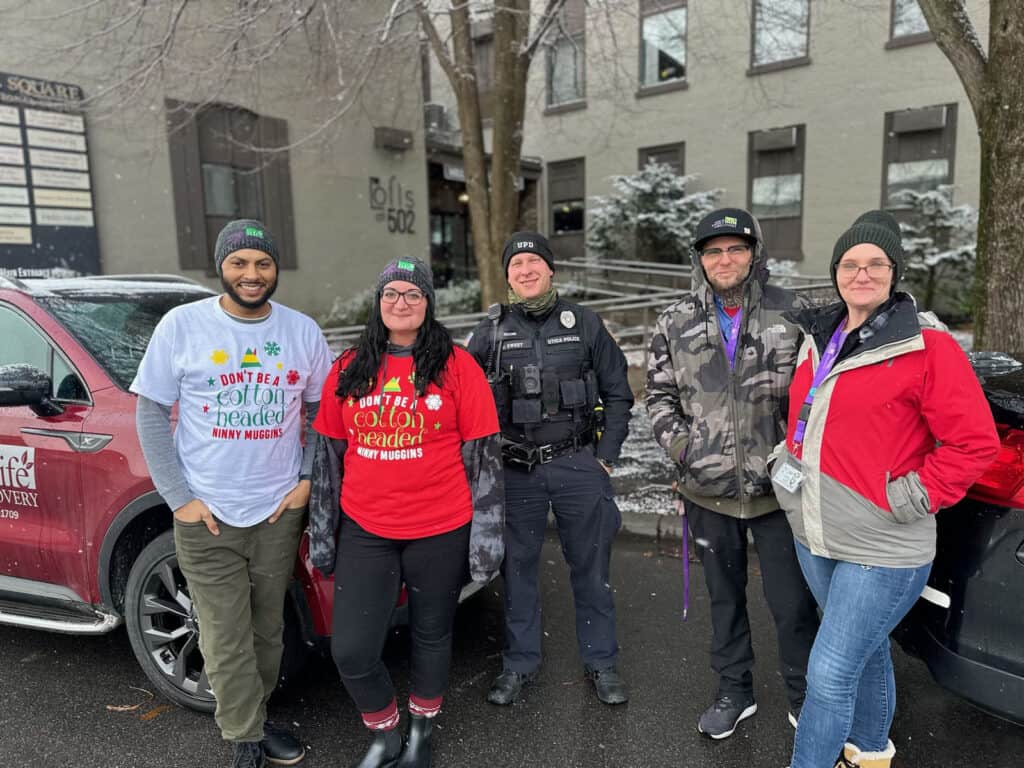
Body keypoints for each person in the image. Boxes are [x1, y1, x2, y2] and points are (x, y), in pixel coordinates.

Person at [772, 210, 999, 768]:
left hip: (883, 544)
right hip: (815, 531)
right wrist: (786, 461)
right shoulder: (818, 338)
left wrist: (913, 496)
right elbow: (806, 418)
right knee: (863, 649)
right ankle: (870, 752)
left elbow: (975, 443)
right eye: (850, 263)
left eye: (876, 263)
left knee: (829, 671)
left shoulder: (928, 346)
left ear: (895, 273)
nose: (862, 273)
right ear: (836, 272)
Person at [131, 219, 332, 768]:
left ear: (275, 270)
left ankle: (255, 716)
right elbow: (150, 412)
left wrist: (306, 481)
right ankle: (244, 734)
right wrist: (180, 499)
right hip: (206, 513)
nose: (251, 273)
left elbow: (322, 413)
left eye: (262, 263)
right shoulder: (183, 325)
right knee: (224, 633)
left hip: (277, 510)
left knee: (267, 629)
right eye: (239, 262)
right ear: (220, 267)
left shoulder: (301, 331)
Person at [310, 257, 503, 768]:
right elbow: (327, 457)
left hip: (441, 527)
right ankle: (385, 732)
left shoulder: (458, 366)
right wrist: (323, 534)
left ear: (427, 303)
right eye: (392, 293)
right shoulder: (349, 367)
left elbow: (484, 458)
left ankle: (421, 731)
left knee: (431, 636)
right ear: (379, 302)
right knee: (351, 649)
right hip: (366, 528)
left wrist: (486, 541)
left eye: (413, 294)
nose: (402, 302)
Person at [646, 207, 820, 739]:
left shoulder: (793, 314)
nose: (725, 260)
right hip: (708, 492)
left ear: (754, 254)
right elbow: (658, 396)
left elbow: (820, 391)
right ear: (700, 259)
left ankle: (804, 695)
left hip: (780, 494)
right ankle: (734, 690)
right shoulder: (675, 320)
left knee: (792, 604)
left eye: (736, 249)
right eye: (714, 251)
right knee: (725, 601)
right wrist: (686, 452)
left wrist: (797, 454)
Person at [466, 232, 634, 706]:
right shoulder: (490, 331)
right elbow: (463, 396)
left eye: (533, 262)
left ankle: (601, 662)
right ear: (507, 277)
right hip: (515, 469)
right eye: (516, 265)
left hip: (576, 463)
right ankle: (519, 664)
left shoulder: (584, 323)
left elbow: (618, 393)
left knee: (591, 568)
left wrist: (605, 456)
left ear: (550, 270)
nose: (526, 271)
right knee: (517, 571)